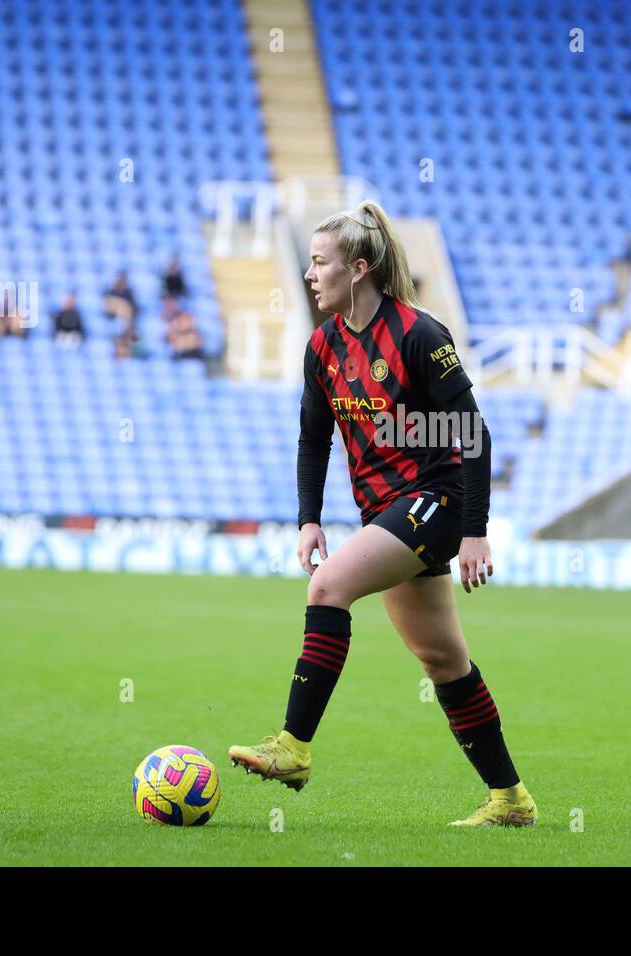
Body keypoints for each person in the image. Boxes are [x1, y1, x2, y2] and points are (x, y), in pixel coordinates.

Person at [227, 201, 537, 827]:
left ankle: (293, 747)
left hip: (437, 500)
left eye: (320, 262)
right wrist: (308, 518)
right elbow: (314, 438)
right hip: (387, 512)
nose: (310, 274)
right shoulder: (322, 345)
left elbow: (473, 434)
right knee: (443, 661)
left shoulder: (420, 335)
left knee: (328, 587)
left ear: (359, 268)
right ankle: (511, 799)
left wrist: (475, 532)